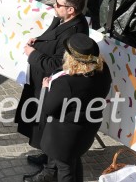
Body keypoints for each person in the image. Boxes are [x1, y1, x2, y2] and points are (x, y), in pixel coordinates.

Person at [16, 0, 89, 171]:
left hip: (53, 84)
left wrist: (32, 54)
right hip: (40, 79)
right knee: (41, 122)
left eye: (58, 3)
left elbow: (58, 63)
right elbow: (50, 38)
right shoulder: (62, 18)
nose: (53, 6)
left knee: (48, 123)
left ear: (71, 9)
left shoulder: (75, 32)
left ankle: (50, 166)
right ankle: (46, 154)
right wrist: (38, 41)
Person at [26, 34, 113, 182]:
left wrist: (46, 88)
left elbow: (47, 108)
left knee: (66, 168)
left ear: (72, 58)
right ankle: (47, 176)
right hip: (86, 128)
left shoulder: (67, 83)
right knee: (71, 159)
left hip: (64, 136)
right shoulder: (103, 71)